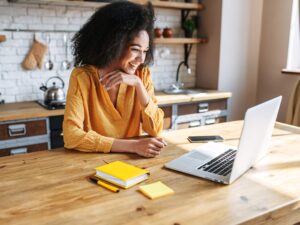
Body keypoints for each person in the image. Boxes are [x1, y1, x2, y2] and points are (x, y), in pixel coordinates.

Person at [63, 1, 166, 158]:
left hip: (133, 163)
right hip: (93, 162)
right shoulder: (82, 77)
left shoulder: (142, 75)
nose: (141, 59)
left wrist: (138, 84)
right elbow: (71, 136)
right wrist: (132, 146)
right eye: (135, 49)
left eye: (145, 51)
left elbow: (156, 129)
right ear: (113, 44)